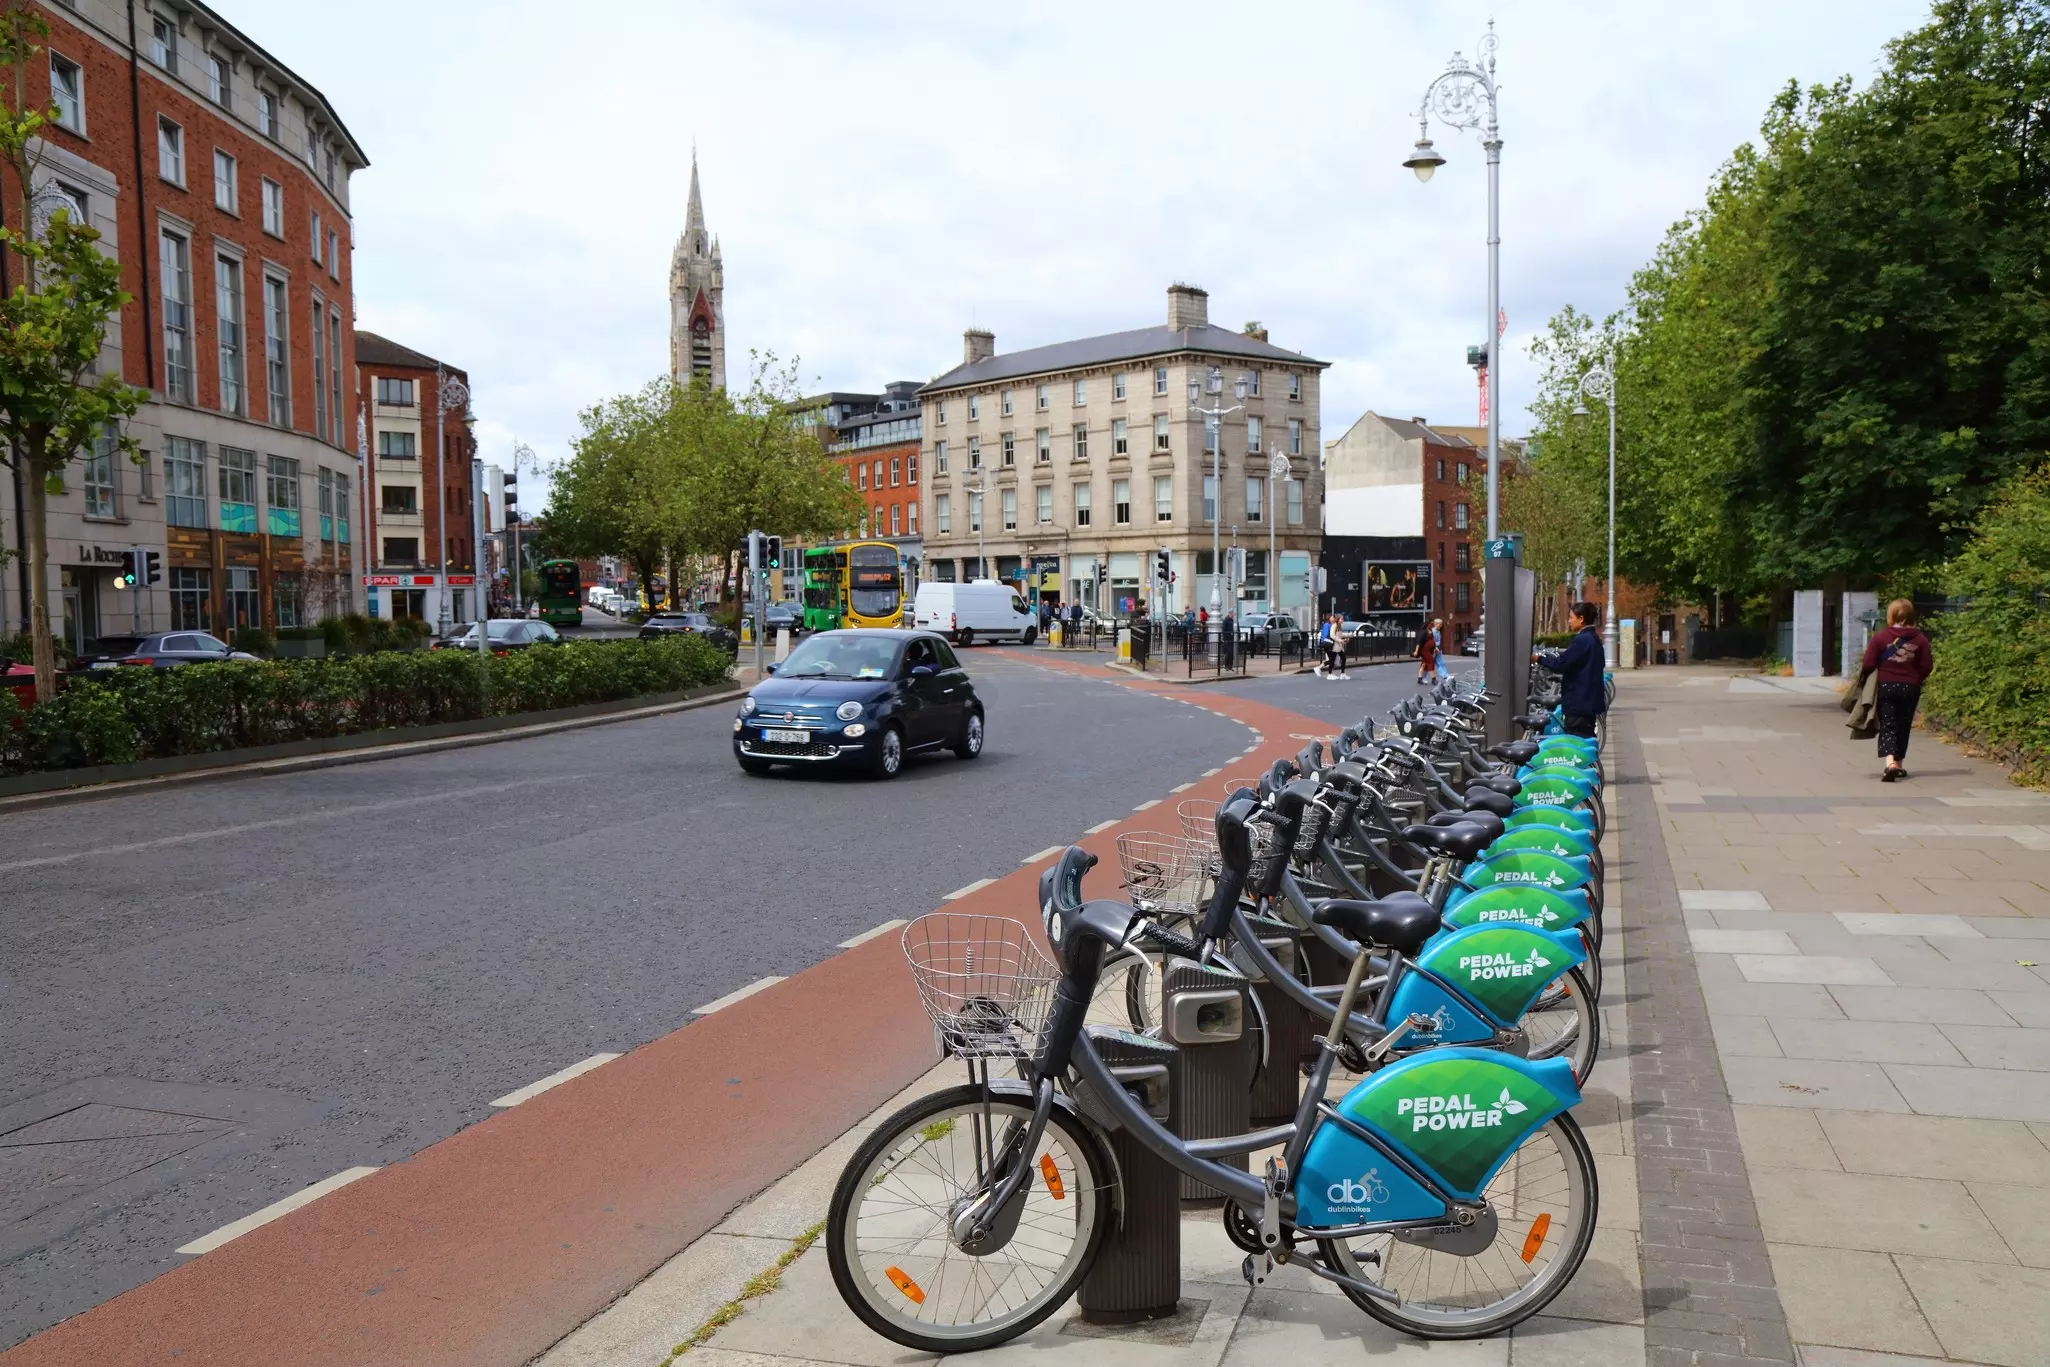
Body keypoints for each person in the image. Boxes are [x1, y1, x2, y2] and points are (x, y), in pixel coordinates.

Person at [1862, 599, 1933, 781]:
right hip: (1910, 687)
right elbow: (1926, 666)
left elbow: (1868, 663)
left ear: (1891, 615)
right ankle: (1899, 764)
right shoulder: (1921, 639)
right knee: (1903, 724)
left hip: (1886, 685)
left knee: (1888, 723)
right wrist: (1915, 679)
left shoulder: (1880, 637)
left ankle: (1890, 762)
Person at [1534, 602, 1608, 738]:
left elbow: (1562, 664)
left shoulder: (1582, 640)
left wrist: (1539, 659)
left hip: (1579, 703)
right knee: (1584, 742)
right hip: (1588, 702)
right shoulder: (1594, 639)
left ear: (1581, 619)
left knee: (1576, 745)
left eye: (1571, 617)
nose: (1569, 621)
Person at [1414, 618, 1437, 686]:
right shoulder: (1423, 632)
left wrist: (1435, 647)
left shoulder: (1430, 630)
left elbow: (1432, 640)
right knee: (1431, 662)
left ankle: (1419, 679)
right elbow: (1419, 642)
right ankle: (1433, 679)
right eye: (1431, 624)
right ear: (1428, 624)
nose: (1432, 625)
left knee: (1424, 664)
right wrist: (1416, 651)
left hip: (1429, 650)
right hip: (1424, 650)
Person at [1431, 617, 1453, 682]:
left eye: (1441, 624)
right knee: (1428, 665)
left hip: (1438, 650)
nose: (1441, 625)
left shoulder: (1438, 632)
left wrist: (1439, 648)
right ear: (1435, 624)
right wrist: (1435, 648)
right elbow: (1431, 641)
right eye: (1439, 624)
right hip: (1433, 650)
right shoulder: (1432, 632)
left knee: (1441, 663)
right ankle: (1422, 677)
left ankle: (1445, 676)